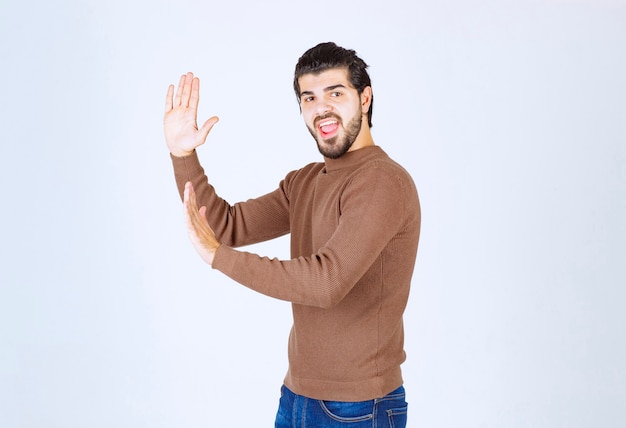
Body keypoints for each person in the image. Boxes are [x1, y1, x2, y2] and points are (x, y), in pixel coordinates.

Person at [164, 42, 421, 427]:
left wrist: (219, 257)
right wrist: (183, 156)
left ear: (364, 98)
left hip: (358, 408)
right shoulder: (305, 181)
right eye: (309, 97)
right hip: (297, 397)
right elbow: (224, 225)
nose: (322, 108)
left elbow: (326, 282)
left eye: (336, 93)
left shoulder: (383, 181)